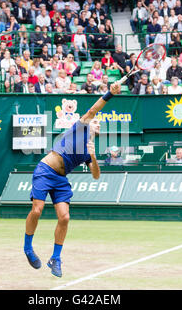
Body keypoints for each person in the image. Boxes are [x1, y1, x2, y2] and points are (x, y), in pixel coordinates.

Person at [24, 82, 122, 277]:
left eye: (98, 123)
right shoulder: (80, 127)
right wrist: (110, 94)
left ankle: (56, 258)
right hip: (45, 170)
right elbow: (94, 109)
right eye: (95, 121)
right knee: (37, 209)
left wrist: (93, 157)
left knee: (65, 217)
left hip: (61, 179)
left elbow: (96, 175)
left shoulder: (89, 150)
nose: (97, 123)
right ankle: (28, 248)